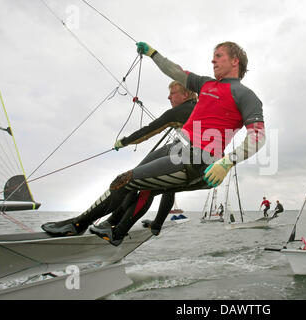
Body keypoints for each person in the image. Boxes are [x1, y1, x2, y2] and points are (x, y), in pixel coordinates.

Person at [43, 41, 265, 246]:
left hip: (199, 157)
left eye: (218, 56)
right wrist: (152, 53)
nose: (213, 60)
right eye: (213, 56)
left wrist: (227, 163)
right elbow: (175, 71)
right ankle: (115, 230)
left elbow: (258, 137)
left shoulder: (245, 95)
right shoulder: (206, 84)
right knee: (141, 181)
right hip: (177, 147)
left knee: (124, 181)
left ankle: (78, 225)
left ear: (235, 61)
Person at [41, 81, 197, 239]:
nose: (168, 97)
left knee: (129, 182)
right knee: (154, 186)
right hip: (191, 161)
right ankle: (124, 225)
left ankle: (80, 224)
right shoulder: (196, 109)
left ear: (185, 95)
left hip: (183, 157)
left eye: (173, 93)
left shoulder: (182, 110)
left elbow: (149, 129)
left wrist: (124, 141)